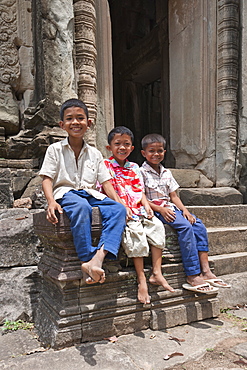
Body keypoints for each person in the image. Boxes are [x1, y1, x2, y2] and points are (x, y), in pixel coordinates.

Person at [39, 98, 126, 285]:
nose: (75, 122)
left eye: (80, 118)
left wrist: (119, 202)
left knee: (118, 210)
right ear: (62, 125)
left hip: (91, 193)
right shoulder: (55, 150)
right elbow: (47, 178)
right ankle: (86, 257)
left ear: (89, 123)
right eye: (70, 119)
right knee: (81, 207)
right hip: (66, 193)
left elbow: (106, 183)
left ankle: (98, 258)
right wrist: (51, 202)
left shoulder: (95, 153)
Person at [140, 133, 231, 294]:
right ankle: (192, 274)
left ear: (164, 152)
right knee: (185, 228)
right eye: (151, 151)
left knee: (198, 225)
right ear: (144, 153)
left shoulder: (166, 172)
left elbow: (174, 196)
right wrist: (160, 209)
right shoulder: (141, 172)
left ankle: (206, 270)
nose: (156, 154)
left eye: (159, 151)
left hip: (171, 207)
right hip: (157, 209)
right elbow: (142, 198)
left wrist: (186, 211)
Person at [104, 126, 175, 305]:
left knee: (157, 228)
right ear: (109, 147)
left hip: (139, 208)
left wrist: (146, 204)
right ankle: (141, 279)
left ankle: (157, 272)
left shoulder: (134, 167)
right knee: (136, 235)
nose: (122, 148)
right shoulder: (105, 165)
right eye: (117, 144)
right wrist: (121, 206)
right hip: (123, 210)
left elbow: (139, 190)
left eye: (126, 144)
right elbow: (108, 188)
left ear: (132, 148)